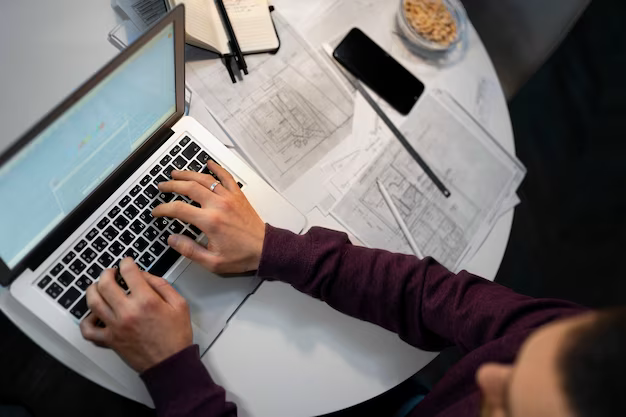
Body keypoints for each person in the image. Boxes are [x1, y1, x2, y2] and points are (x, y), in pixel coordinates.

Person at [80, 161, 626, 417]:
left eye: (504, 407)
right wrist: (272, 248)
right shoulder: (574, 350)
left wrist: (171, 371)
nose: (485, 374)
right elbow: (427, 295)